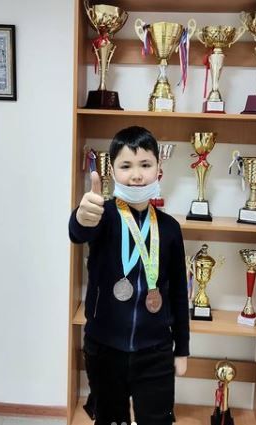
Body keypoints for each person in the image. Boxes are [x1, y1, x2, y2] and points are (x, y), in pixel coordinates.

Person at [68, 126, 189, 425]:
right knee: (110, 419)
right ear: (112, 170)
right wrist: (81, 217)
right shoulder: (103, 217)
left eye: (145, 164)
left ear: (158, 168)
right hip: (104, 348)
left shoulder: (170, 229)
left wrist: (182, 349)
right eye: (126, 166)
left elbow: (178, 293)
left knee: (157, 421)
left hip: (156, 351)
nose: (136, 175)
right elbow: (78, 232)